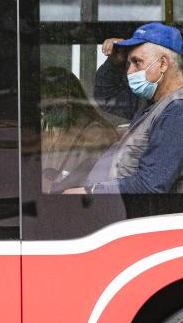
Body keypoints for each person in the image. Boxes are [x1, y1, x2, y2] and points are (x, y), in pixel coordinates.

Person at [66, 22, 183, 194]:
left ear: (163, 64)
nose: (129, 72)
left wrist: (90, 192)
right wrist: (114, 63)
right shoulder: (151, 102)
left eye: (137, 62)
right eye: (129, 64)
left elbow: (151, 184)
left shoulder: (176, 111)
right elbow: (107, 98)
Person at [40, 67, 119, 193]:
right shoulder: (59, 129)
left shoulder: (96, 133)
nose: (44, 114)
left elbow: (93, 182)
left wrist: (54, 186)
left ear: (67, 100)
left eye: (48, 107)